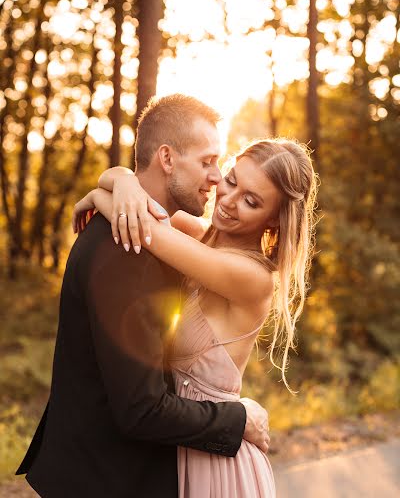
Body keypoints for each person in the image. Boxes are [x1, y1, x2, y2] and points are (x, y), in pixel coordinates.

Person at [16, 95, 270, 498]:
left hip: (148, 467)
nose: (218, 180)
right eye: (207, 162)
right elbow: (141, 409)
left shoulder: (161, 235)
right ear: (167, 158)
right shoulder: (127, 249)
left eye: (251, 198)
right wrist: (114, 186)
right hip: (108, 479)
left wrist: (110, 188)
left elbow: (158, 226)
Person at [73, 112, 318, 497]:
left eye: (251, 201)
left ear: (273, 222)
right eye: (232, 180)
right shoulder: (201, 236)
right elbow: (145, 204)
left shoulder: (251, 276)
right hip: (182, 439)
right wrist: (120, 180)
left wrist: (103, 192)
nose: (229, 199)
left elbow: (145, 228)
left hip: (217, 456)